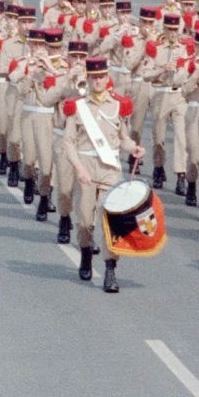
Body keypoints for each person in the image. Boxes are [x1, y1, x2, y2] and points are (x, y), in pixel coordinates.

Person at [61, 57, 145, 292]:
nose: (98, 81)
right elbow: (68, 143)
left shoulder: (117, 105)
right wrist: (79, 169)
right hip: (86, 168)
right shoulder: (77, 106)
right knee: (86, 221)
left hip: (110, 171)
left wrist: (133, 148)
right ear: (87, 79)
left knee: (111, 222)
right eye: (94, 77)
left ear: (107, 78)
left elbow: (122, 138)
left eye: (102, 77)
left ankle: (110, 268)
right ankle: (86, 253)